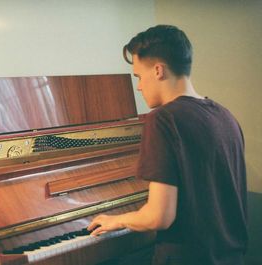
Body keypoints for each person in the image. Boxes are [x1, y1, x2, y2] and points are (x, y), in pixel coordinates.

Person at [87, 25, 247, 265]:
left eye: (139, 77)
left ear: (159, 70)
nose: (139, 87)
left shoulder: (163, 119)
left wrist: (116, 220)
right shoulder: (225, 115)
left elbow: (158, 217)